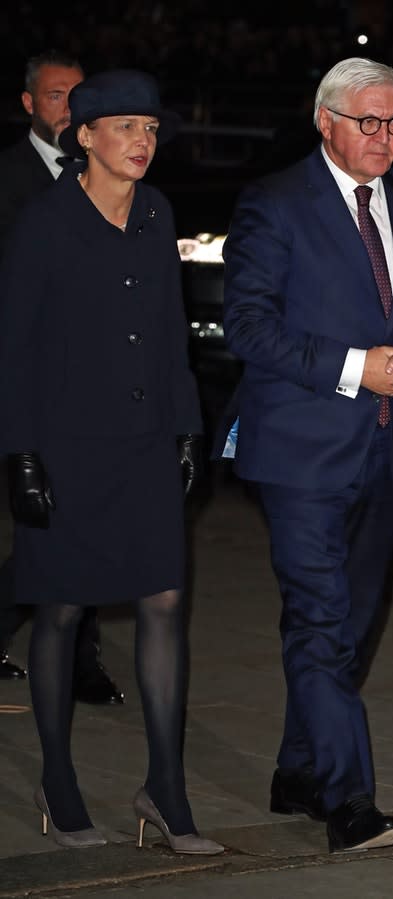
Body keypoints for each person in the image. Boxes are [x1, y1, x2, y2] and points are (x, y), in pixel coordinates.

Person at [222, 57, 393, 853]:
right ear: (324, 120)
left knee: (351, 629)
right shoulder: (274, 202)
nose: (385, 136)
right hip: (300, 451)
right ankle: (348, 799)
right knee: (321, 623)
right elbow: (249, 329)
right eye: (369, 120)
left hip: (390, 448)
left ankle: (298, 769)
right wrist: (357, 366)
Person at [0, 69, 223, 854]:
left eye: (152, 129)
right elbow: (15, 347)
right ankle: (59, 788)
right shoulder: (45, 221)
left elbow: (169, 328)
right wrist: (20, 455)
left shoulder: (157, 213)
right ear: (84, 136)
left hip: (145, 442)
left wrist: (189, 428)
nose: (142, 142)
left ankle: (165, 790)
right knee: (60, 610)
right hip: (66, 448)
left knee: (164, 601)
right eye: (125, 127)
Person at [0, 49, 123, 705]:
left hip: (98, 379)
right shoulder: (10, 180)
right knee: (54, 523)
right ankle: (77, 661)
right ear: (29, 104)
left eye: (78, 95)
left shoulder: (103, 175)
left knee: (80, 520)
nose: (68, 107)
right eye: (55, 95)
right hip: (33, 379)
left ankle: (82, 658)